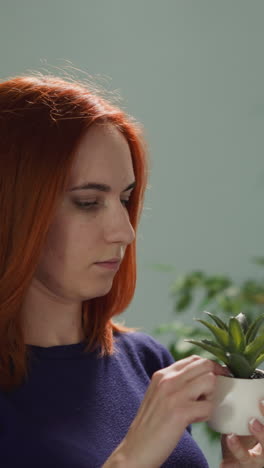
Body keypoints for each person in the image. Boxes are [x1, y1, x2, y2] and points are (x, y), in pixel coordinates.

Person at [0, 74, 264, 468]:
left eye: (125, 198)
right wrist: (132, 457)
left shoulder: (145, 359)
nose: (125, 231)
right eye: (88, 202)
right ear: (12, 208)